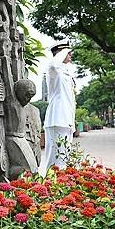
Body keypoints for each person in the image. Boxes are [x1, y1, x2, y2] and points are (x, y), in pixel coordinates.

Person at [39, 40, 76, 177]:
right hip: (57, 118)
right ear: (60, 53)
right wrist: (61, 53)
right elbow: (54, 64)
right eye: (68, 52)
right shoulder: (54, 71)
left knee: (65, 156)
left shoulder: (66, 73)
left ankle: (62, 183)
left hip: (66, 119)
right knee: (55, 157)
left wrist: (72, 122)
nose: (70, 55)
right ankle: (51, 182)